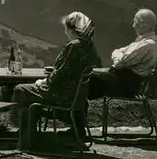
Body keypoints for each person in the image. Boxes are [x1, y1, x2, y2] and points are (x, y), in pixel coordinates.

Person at [11, 12, 100, 150]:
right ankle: (33, 134)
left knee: (20, 90)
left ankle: (26, 137)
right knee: (27, 91)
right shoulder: (89, 46)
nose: (65, 31)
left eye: (66, 28)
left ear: (73, 29)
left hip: (61, 95)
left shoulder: (74, 46)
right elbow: (72, 70)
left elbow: (60, 74)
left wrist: (43, 82)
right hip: (76, 96)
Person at [87, 8, 157, 100]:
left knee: (85, 79)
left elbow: (119, 62)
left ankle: (75, 110)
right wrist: (118, 54)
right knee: (86, 77)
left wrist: (118, 54)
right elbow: (117, 51)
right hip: (120, 80)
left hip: (123, 85)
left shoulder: (148, 45)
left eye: (135, 22)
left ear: (143, 24)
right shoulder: (143, 42)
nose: (133, 25)